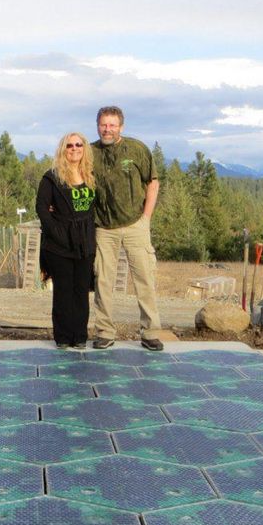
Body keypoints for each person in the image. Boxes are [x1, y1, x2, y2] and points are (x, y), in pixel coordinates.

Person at [90, 106, 163, 351]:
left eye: (112, 125)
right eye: (103, 124)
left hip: (135, 224)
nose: (107, 129)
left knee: (144, 279)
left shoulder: (137, 149)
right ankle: (104, 332)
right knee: (103, 281)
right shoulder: (90, 152)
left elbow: (153, 183)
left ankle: (150, 332)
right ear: (98, 125)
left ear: (121, 126)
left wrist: (146, 218)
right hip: (103, 227)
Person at [36, 132, 97, 348]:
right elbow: (42, 208)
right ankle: (62, 337)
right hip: (59, 245)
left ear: (84, 148)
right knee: (63, 292)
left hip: (85, 243)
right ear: (63, 149)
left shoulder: (91, 175)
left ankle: (79, 336)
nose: (74, 148)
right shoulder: (51, 177)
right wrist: (56, 231)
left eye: (78, 144)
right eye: (69, 145)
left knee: (81, 291)